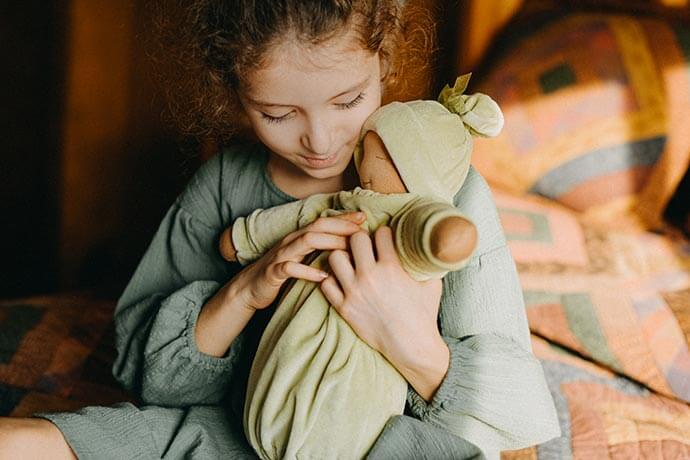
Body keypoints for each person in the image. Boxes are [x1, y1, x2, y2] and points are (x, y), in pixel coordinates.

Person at [0, 1, 560, 459]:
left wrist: (400, 332)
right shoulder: (224, 185)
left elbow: (511, 418)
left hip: (383, 443)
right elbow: (151, 379)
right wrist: (247, 289)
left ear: (384, 61)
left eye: (348, 101)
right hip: (238, 430)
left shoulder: (448, 193)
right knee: (86, 437)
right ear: (233, 94)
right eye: (277, 114)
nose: (320, 141)